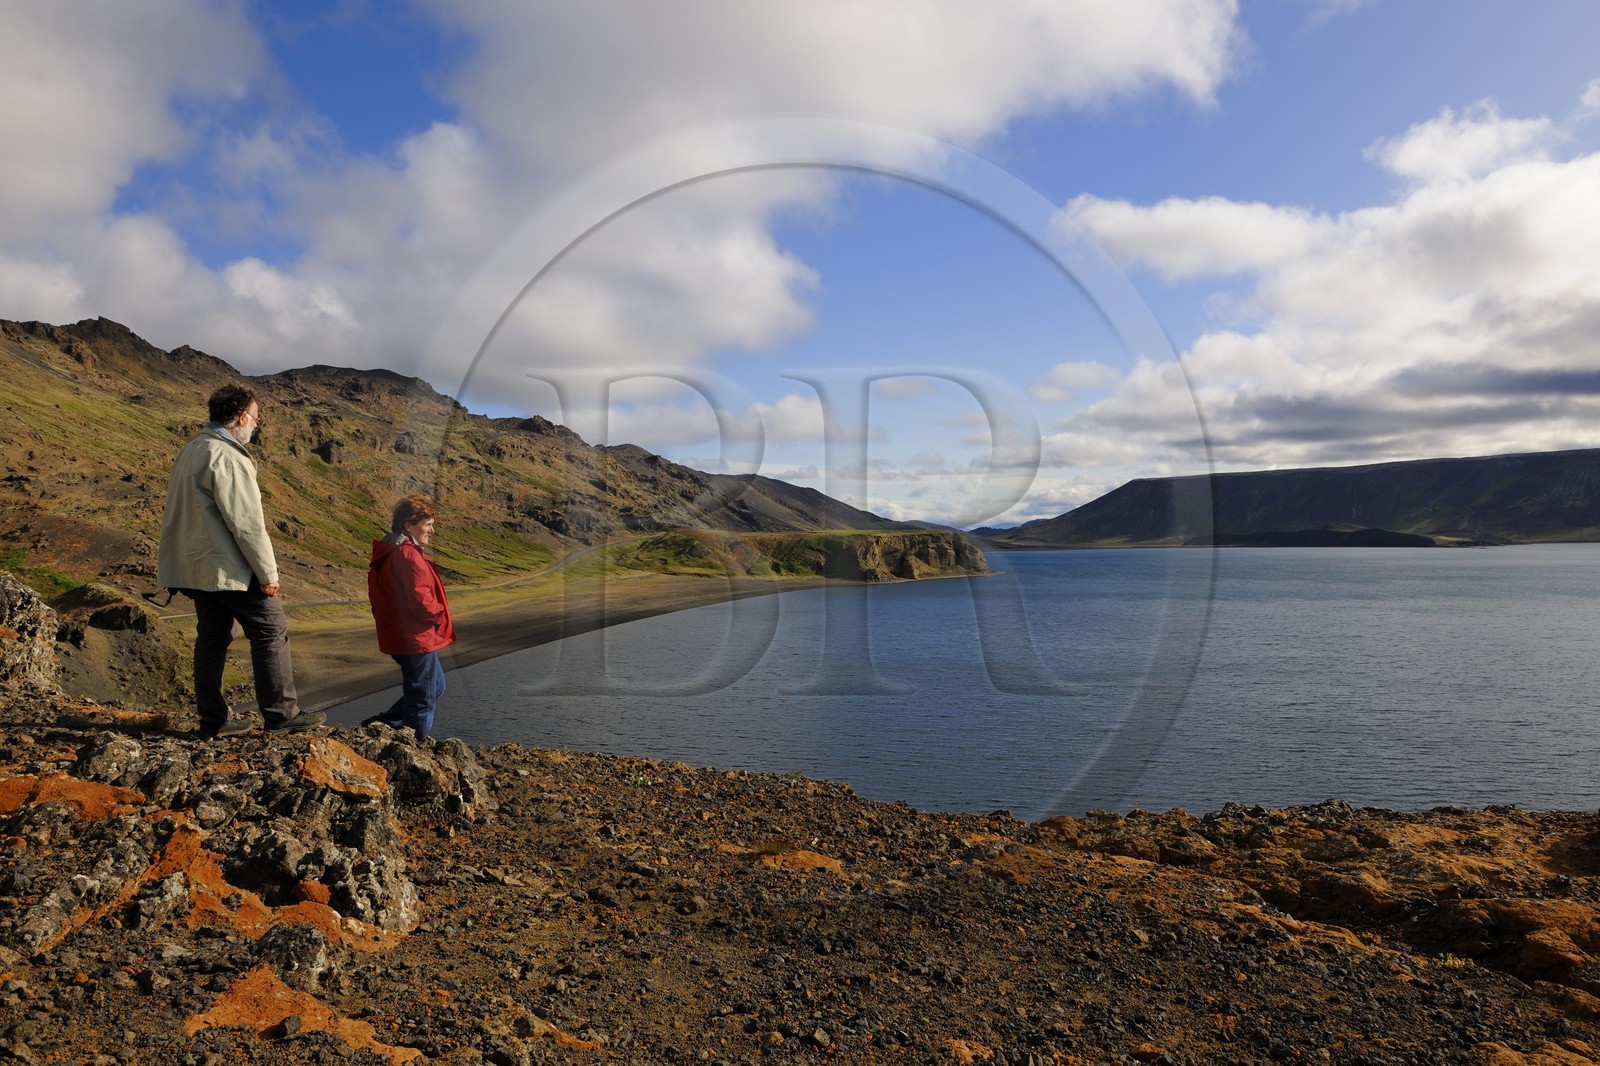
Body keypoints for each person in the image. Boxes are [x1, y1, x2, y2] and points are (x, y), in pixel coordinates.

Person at [157, 384, 323, 737]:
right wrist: (267, 573)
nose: (257, 425)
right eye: (256, 418)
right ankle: (281, 714)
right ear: (242, 417)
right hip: (227, 567)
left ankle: (214, 720)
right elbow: (246, 524)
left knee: (212, 637)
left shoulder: (191, 450)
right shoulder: (227, 456)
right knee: (270, 628)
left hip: (195, 567)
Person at [365, 495, 455, 740]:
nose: (432, 530)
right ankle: (415, 745)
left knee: (436, 686)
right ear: (408, 525)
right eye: (428, 524)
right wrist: (439, 615)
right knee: (422, 696)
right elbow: (420, 599)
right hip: (415, 636)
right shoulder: (407, 555)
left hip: (406, 633)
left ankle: (382, 724)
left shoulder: (394, 550)